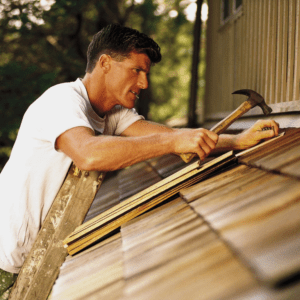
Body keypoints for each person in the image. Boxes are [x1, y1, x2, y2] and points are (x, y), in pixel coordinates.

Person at [0, 23, 279, 298]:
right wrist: (171, 142)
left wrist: (237, 140)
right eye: (137, 70)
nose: (144, 83)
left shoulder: (113, 114)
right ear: (105, 63)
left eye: (146, 73)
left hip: (29, 262)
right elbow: (88, 153)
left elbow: (176, 136)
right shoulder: (61, 100)